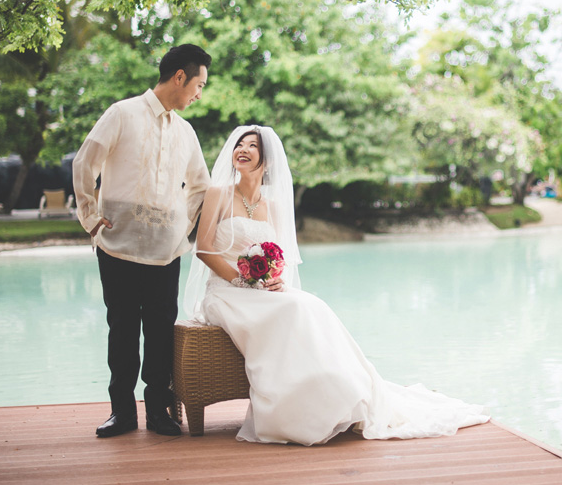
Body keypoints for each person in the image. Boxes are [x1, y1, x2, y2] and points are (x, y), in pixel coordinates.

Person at [184, 126, 490, 445]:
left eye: (252, 145)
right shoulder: (219, 193)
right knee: (294, 308)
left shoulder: (272, 205)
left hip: (260, 291)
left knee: (311, 305)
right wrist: (239, 279)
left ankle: (344, 392)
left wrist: (273, 278)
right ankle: (298, 408)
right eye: (239, 144)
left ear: (268, 160)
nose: (242, 149)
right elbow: (204, 248)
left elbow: (279, 257)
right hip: (225, 290)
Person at [72, 44, 212, 438]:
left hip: (166, 252)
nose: (199, 93)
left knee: (161, 331)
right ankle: (122, 412)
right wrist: (90, 218)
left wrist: (182, 228)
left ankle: (159, 412)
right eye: (198, 84)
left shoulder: (186, 131)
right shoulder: (122, 113)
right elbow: (86, 162)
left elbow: (201, 185)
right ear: (180, 77)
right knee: (122, 328)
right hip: (118, 246)